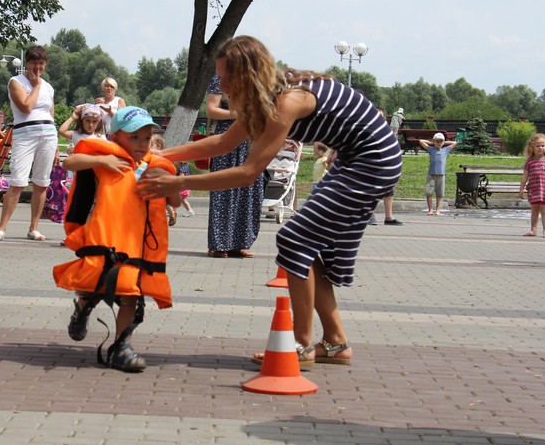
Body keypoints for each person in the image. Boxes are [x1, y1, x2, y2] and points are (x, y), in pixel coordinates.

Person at [137, 36, 401, 367]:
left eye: (227, 78)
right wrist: (157, 154)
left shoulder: (287, 102)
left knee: (294, 240)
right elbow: (221, 142)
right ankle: (335, 343)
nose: (224, 86)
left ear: (248, 75)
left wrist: (177, 182)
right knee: (306, 247)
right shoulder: (269, 96)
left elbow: (248, 172)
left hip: (373, 161)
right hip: (354, 158)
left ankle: (301, 347)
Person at [55, 106, 181, 372]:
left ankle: (122, 347)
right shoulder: (106, 159)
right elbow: (69, 162)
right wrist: (102, 161)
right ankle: (82, 309)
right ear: (115, 138)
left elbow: (175, 203)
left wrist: (170, 183)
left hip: (137, 247)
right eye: (134, 137)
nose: (142, 144)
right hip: (106, 242)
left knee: (130, 295)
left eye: (146, 138)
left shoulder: (154, 166)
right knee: (92, 288)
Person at [0, 45, 58, 242]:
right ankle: (1, 228)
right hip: (25, 134)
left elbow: (50, 114)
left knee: (41, 182)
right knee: (18, 182)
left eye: (42, 63)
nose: (38, 67)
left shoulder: (48, 87)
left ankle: (34, 227)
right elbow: (26, 107)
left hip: (47, 134)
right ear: (27, 63)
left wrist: (54, 148)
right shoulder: (16, 82)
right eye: (34, 62)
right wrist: (35, 86)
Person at [204, 74, 264, 258]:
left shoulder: (257, 79)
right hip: (227, 138)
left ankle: (241, 243)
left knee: (250, 191)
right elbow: (211, 110)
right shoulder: (219, 79)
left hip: (251, 139)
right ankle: (219, 244)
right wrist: (236, 114)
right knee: (224, 190)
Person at [519, 133, 545, 239]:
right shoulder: (529, 162)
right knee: (534, 210)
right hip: (533, 189)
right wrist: (521, 189)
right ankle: (533, 230)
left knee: (544, 211)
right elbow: (525, 177)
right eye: (538, 146)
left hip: (544, 189)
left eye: (543, 145)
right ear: (532, 147)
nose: (541, 148)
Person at [419, 132, 457, 215]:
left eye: (441, 141)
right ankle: (430, 210)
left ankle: (438, 210)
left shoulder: (445, 150)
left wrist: (444, 142)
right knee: (429, 193)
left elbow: (455, 143)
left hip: (441, 174)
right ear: (434, 142)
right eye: (437, 141)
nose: (439, 143)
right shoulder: (431, 149)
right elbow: (421, 141)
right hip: (431, 174)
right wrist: (432, 142)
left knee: (439, 194)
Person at [377, 107, 403, 226]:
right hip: (370, 165)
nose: (380, 118)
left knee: (389, 191)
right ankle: (368, 216)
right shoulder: (367, 129)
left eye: (382, 116)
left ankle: (388, 217)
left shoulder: (386, 130)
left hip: (384, 164)